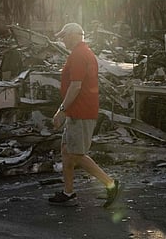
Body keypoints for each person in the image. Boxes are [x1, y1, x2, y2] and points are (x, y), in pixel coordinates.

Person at [48, 22, 121, 208]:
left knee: (77, 154)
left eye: (64, 36)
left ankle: (110, 184)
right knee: (66, 151)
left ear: (73, 35)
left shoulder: (79, 55)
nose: (62, 40)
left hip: (80, 111)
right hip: (78, 110)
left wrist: (61, 111)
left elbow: (76, 85)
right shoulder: (82, 52)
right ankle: (68, 192)